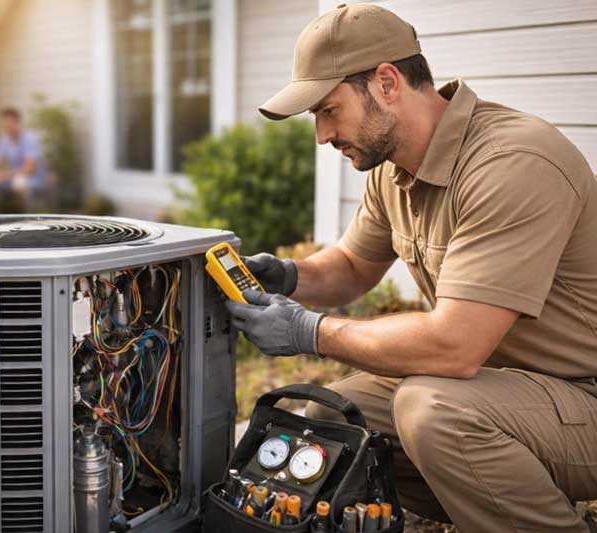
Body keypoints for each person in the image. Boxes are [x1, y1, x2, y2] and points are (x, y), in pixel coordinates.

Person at [224, 4, 597, 533]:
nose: (322, 136)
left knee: (435, 410)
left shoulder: (513, 163)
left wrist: (308, 332)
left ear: (386, 82)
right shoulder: (395, 167)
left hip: (584, 396)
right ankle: (505, 505)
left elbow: (454, 346)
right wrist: (286, 275)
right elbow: (354, 266)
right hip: (509, 390)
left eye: (329, 110)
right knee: (336, 415)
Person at [0, 107, 47, 212]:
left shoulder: (30, 139)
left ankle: (27, 217)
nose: (6, 126)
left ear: (17, 122)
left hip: (33, 177)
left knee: (20, 183)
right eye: (4, 123)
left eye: (9, 123)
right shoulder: (3, 140)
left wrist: (6, 175)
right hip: (13, 176)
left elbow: (29, 168)